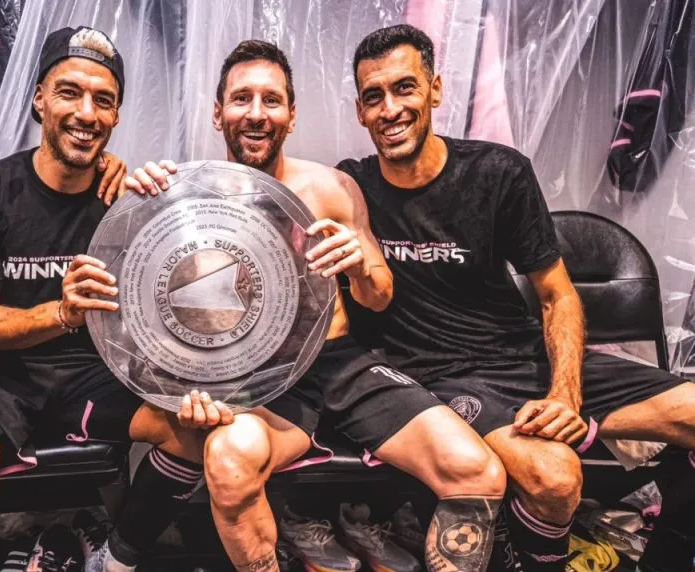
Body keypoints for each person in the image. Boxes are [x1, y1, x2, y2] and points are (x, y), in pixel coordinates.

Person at [127, 40, 507, 572]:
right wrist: (134, 194)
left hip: (342, 362)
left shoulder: (332, 186)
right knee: (229, 462)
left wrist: (358, 263)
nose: (256, 114)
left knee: (476, 472)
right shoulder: (184, 199)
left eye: (271, 100)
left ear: (291, 114)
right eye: (241, 99)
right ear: (218, 114)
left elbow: (380, 292)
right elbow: (151, 310)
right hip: (261, 377)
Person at [338, 24, 695, 571]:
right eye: (373, 96)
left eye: (405, 88)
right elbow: (274, 186)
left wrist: (565, 396)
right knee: (555, 476)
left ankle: (669, 551)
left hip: (525, 358)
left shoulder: (498, 173)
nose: (390, 109)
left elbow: (557, 296)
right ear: (360, 112)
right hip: (443, 377)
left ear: (435, 89)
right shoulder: (350, 187)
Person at [0, 26, 217, 572]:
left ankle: (114, 560)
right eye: (69, 92)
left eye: (104, 100)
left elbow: (178, 291)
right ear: (39, 100)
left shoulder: (124, 201)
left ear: (117, 116)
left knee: (199, 429)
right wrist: (61, 311)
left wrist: (162, 200)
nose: (86, 112)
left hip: (88, 372)